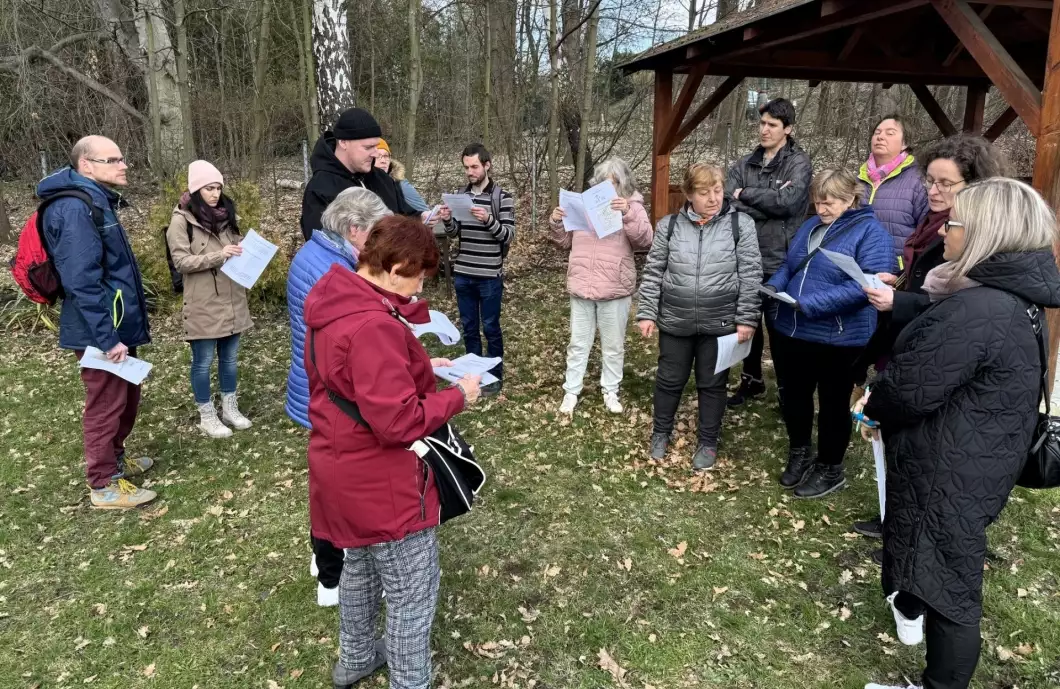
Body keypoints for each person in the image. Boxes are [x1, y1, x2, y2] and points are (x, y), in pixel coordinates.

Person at [858, 178, 1060, 689]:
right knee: (939, 571)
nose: (944, 231)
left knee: (950, 590)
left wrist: (872, 406)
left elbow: (909, 389)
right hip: (979, 457)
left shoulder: (979, 309)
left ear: (985, 234)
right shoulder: (1014, 300)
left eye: (954, 223)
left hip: (949, 471)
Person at [303, 215, 482, 689]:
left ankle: (357, 655)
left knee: (359, 570)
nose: (421, 284)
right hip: (384, 482)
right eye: (419, 274)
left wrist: (421, 362)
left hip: (338, 469)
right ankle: (410, 680)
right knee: (411, 593)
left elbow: (350, 379)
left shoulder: (334, 302)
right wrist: (458, 396)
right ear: (397, 265)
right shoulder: (372, 326)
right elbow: (397, 421)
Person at [850, 135, 1009, 547]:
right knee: (894, 441)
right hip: (905, 342)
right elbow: (928, 284)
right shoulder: (933, 225)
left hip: (936, 355)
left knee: (920, 449)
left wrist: (898, 301)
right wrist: (898, 282)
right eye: (930, 182)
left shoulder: (971, 237)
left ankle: (908, 528)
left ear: (974, 187)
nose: (933, 192)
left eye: (945, 184)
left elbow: (958, 313)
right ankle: (893, 517)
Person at [286, 187, 392, 607]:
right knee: (335, 488)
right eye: (375, 232)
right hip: (329, 395)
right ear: (353, 230)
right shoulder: (330, 271)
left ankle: (324, 556)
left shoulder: (318, 255)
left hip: (315, 387)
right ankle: (331, 576)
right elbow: (347, 338)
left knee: (327, 482)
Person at [37, 136, 154, 509]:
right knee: (105, 402)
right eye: (113, 159)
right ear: (86, 165)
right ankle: (103, 483)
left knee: (126, 396)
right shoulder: (74, 208)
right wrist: (106, 338)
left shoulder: (96, 200)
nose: (124, 165)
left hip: (115, 322)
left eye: (123, 158)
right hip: (97, 330)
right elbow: (81, 279)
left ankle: (116, 460)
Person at [763, 169, 893, 498]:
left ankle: (830, 466)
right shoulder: (810, 226)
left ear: (852, 198)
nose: (822, 209)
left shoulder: (871, 233)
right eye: (818, 201)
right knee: (795, 394)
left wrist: (812, 303)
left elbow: (869, 284)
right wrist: (775, 287)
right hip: (794, 327)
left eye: (830, 202)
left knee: (834, 403)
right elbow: (791, 265)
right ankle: (800, 451)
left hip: (840, 335)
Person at [636, 163, 762, 471]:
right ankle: (660, 434)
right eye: (704, 193)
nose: (713, 198)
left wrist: (747, 318)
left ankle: (708, 441)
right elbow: (654, 272)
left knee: (713, 384)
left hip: (719, 322)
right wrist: (647, 312)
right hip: (676, 320)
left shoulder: (740, 225)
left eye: (717, 191)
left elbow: (751, 274)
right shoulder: (669, 226)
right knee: (669, 381)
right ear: (689, 194)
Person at [725, 97, 812, 407]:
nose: (764, 130)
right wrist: (766, 203)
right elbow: (727, 202)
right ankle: (752, 379)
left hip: (780, 260)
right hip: (746, 256)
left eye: (772, 125)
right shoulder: (745, 163)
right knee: (748, 321)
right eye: (761, 123)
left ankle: (787, 389)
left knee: (779, 329)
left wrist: (746, 195)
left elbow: (788, 203)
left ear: (787, 129)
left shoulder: (798, 162)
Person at [549, 158, 653, 415]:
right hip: (583, 283)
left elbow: (646, 240)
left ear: (623, 183)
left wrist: (627, 213)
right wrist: (556, 221)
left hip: (615, 286)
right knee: (578, 343)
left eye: (614, 181)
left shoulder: (634, 207)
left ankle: (611, 390)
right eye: (603, 180)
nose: (608, 185)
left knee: (613, 344)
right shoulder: (584, 204)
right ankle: (571, 391)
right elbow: (563, 242)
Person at [166, 160, 253, 439]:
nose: (215, 193)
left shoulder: (227, 215)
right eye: (208, 188)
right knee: (202, 362)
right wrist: (220, 255)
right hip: (202, 303)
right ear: (195, 190)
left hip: (233, 298)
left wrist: (246, 253)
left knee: (229, 359)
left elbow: (235, 249)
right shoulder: (181, 221)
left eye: (218, 188)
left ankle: (230, 408)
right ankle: (207, 415)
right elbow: (180, 262)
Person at [439, 143, 515, 396]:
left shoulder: (502, 197)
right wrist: (449, 219)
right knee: (469, 327)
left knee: (491, 326)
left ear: (487, 165)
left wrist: (488, 220)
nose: (470, 172)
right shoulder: (461, 194)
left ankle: (494, 376)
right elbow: (454, 233)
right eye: (466, 167)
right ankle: (473, 376)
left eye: (474, 167)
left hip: (489, 275)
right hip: (463, 272)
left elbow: (508, 235)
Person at [300, 108, 421, 241]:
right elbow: (321, 247)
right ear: (343, 142)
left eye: (376, 146)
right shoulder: (319, 189)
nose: (375, 153)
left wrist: (424, 217)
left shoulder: (382, 178)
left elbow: (404, 214)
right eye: (368, 147)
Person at [857, 114, 929, 259]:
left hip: (896, 272)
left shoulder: (919, 180)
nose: (880, 137)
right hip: (856, 266)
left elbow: (927, 234)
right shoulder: (859, 178)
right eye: (877, 133)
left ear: (905, 143)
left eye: (890, 133)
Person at [374, 139, 429, 213]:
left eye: (386, 156)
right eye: (378, 156)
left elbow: (425, 214)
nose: (383, 161)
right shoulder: (360, 182)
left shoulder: (400, 184)